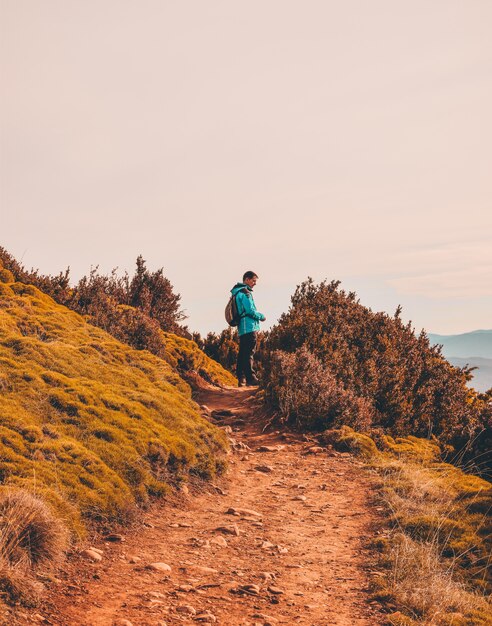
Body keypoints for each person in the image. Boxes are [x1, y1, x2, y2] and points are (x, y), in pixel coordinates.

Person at [230, 271, 266, 387]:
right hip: (249, 327)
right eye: (253, 280)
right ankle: (251, 378)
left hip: (242, 327)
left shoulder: (237, 292)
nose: (255, 283)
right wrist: (261, 316)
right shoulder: (245, 293)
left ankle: (241, 379)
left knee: (242, 354)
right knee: (249, 353)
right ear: (246, 279)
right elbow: (250, 311)